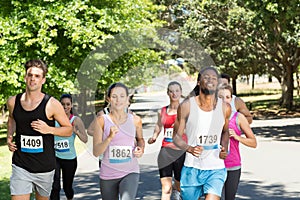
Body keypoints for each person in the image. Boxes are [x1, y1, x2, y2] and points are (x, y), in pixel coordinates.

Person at [6, 59, 73, 200]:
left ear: (43, 80)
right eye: (30, 75)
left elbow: (68, 130)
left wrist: (49, 129)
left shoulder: (52, 104)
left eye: (37, 76)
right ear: (25, 77)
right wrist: (9, 136)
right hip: (21, 165)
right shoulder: (13, 102)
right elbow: (11, 118)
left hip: (45, 168)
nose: (32, 79)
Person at [173, 66, 231, 200]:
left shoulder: (224, 108)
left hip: (215, 167)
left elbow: (225, 131)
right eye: (206, 77)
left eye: (214, 78)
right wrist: (189, 148)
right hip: (192, 168)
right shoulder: (187, 106)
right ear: (199, 82)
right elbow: (176, 137)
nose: (210, 80)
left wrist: (225, 147)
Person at [93, 82, 145, 200]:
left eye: (122, 96)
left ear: (127, 99)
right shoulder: (101, 121)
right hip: (108, 174)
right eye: (114, 96)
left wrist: (140, 149)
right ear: (108, 99)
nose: (118, 100)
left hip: (130, 172)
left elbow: (140, 140)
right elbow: (96, 151)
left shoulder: (135, 120)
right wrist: (109, 137)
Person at [148, 81, 187, 200]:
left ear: (181, 92)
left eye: (177, 91)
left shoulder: (186, 110)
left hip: (181, 151)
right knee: (166, 188)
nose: (174, 94)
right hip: (166, 150)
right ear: (168, 93)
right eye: (171, 91)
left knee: (181, 185)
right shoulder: (162, 111)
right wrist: (154, 136)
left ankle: (177, 188)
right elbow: (159, 125)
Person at [218, 84, 257, 200]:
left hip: (232, 166)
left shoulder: (238, 118)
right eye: (221, 97)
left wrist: (237, 137)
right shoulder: (209, 117)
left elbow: (253, 142)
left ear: (231, 99)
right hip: (213, 166)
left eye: (227, 97)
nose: (224, 100)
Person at [50, 94, 88, 200]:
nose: (65, 107)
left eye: (67, 104)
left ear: (71, 105)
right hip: (55, 157)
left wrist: (76, 131)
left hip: (69, 159)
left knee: (67, 187)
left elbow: (85, 139)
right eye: (62, 104)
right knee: (55, 186)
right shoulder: (53, 119)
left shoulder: (75, 120)